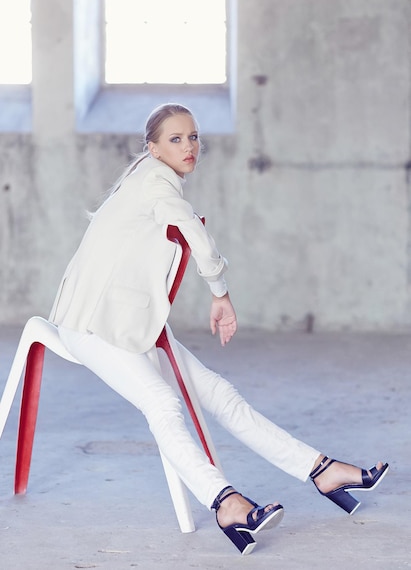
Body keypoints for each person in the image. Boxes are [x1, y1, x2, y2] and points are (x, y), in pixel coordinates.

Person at [50, 103, 389, 555]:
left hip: (129, 322)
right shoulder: (155, 181)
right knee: (163, 404)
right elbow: (193, 230)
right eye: (175, 139)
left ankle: (321, 470)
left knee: (220, 394)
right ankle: (224, 502)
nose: (189, 146)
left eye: (193, 137)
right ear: (152, 147)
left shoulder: (151, 179)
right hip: (90, 324)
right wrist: (219, 292)